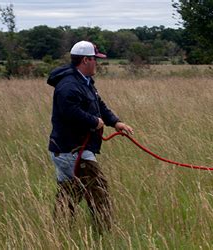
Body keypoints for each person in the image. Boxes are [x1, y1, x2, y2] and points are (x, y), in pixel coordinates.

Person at [47, 40, 133, 230]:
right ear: (85, 60)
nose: (97, 63)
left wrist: (115, 122)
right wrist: (93, 122)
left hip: (73, 149)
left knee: (71, 192)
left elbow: (98, 105)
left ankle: (58, 230)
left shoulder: (84, 82)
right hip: (71, 149)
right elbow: (69, 111)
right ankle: (104, 233)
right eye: (95, 59)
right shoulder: (68, 85)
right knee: (98, 190)